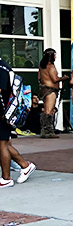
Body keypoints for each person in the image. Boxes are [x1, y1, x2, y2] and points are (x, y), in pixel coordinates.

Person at [0, 57, 36, 188]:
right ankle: (25, 166)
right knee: (3, 144)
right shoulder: (4, 67)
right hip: (6, 112)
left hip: (3, 113)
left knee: (2, 145)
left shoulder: (1, 69)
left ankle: (6, 178)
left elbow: (1, 90)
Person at [38, 48, 68, 138]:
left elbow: (39, 79)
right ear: (51, 56)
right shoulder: (50, 66)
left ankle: (44, 130)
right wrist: (64, 78)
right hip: (50, 90)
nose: (56, 57)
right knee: (50, 111)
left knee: (46, 110)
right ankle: (48, 131)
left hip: (44, 89)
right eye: (55, 55)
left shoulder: (41, 66)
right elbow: (55, 79)